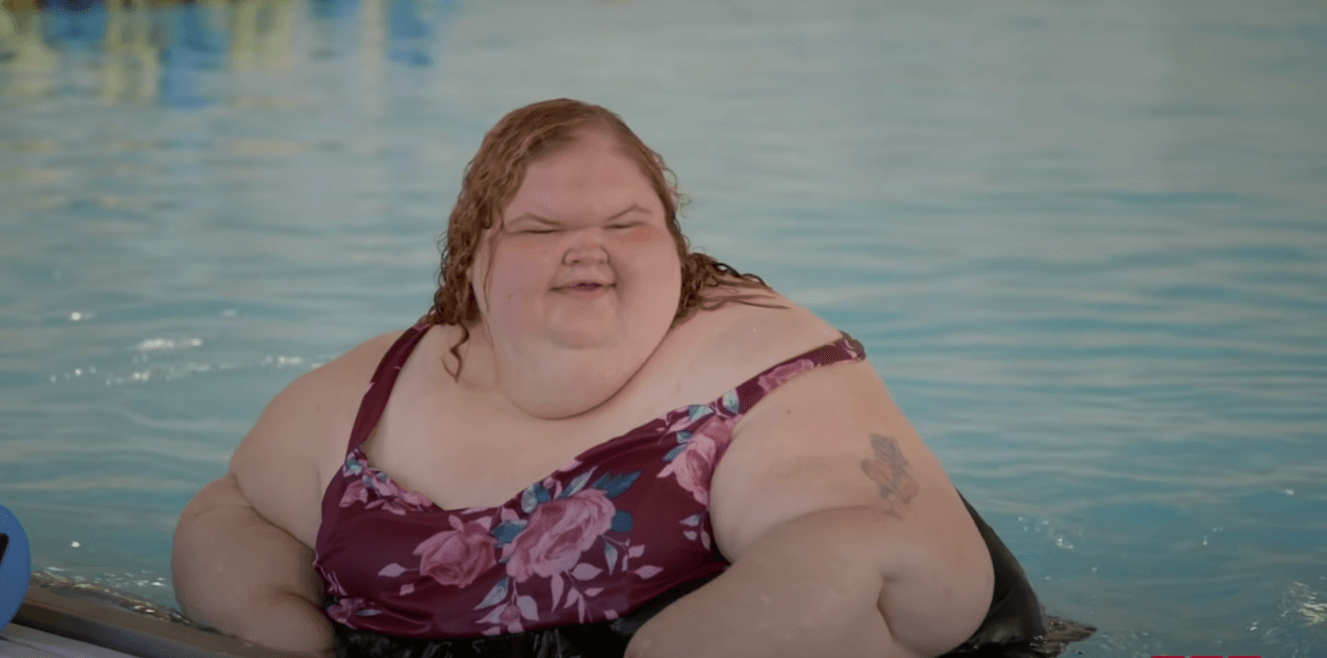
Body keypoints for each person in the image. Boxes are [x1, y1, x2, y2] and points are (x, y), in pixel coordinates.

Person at [172, 98, 1058, 658]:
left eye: (627, 221)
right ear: (474, 263)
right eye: (543, 226)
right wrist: (274, 622)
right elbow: (234, 505)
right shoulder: (379, 390)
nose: (586, 247)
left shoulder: (762, 367)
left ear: (674, 246)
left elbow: (905, 574)